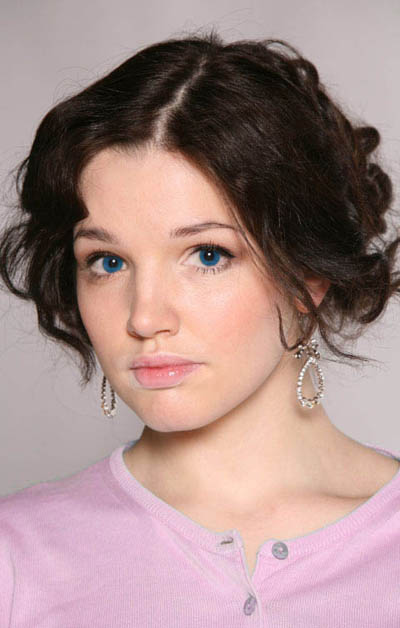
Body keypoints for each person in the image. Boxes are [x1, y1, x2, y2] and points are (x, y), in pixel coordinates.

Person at [1, 28, 400, 626]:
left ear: (308, 273)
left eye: (208, 255)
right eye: (107, 262)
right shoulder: (16, 559)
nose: (144, 317)